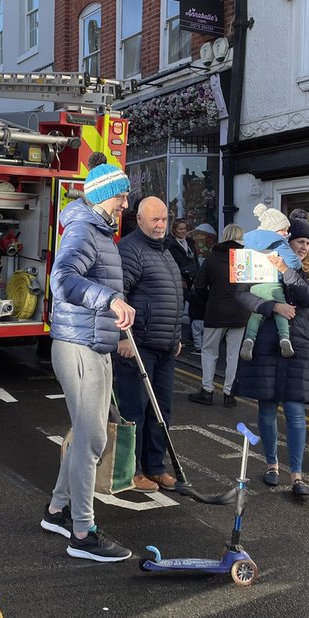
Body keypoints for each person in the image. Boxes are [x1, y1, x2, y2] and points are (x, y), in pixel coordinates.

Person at [40, 153, 137, 563]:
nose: (126, 205)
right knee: (93, 438)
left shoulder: (97, 230)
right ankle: (82, 532)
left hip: (91, 344)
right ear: (105, 196)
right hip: (78, 347)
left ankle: (57, 511)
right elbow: (61, 281)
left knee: (86, 435)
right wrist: (111, 298)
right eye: (123, 197)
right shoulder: (83, 230)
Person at [234, 217, 309, 498]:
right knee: (268, 408)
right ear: (285, 240)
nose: (303, 247)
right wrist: (273, 306)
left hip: (299, 344)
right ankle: (272, 465)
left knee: (296, 412)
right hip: (267, 342)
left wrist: (287, 270)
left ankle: (297, 474)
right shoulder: (256, 260)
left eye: (307, 243)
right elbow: (242, 296)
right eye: (299, 241)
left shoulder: (305, 269)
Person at [115, 196, 185, 493]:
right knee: (135, 412)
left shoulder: (165, 251)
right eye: (155, 219)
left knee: (161, 411)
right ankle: (131, 471)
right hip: (138, 344)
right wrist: (121, 337)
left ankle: (154, 467)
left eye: (164, 219)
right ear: (140, 220)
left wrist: (176, 336)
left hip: (165, 345)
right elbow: (118, 294)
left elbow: (172, 298)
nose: (161, 225)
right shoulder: (130, 250)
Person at [188, 223, 249, 406]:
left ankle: (207, 390)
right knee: (233, 355)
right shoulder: (245, 257)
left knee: (209, 351)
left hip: (216, 310)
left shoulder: (213, 257)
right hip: (240, 311)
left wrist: (209, 299)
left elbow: (199, 285)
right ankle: (229, 394)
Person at [240, 204, 304, 361]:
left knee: (256, 314)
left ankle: (249, 340)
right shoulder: (278, 241)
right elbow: (294, 263)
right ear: (274, 229)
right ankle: (284, 338)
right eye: (284, 230)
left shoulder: (248, 240)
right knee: (281, 312)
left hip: (254, 284)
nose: (287, 234)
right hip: (273, 284)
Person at [166, 217, 201, 347]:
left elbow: (195, 260)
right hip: (179, 279)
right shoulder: (169, 244)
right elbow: (171, 263)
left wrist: (199, 276)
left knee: (195, 307)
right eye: (180, 229)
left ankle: (192, 336)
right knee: (178, 309)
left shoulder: (190, 242)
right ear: (174, 230)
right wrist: (178, 278)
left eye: (185, 229)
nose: (183, 231)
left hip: (193, 278)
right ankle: (177, 338)